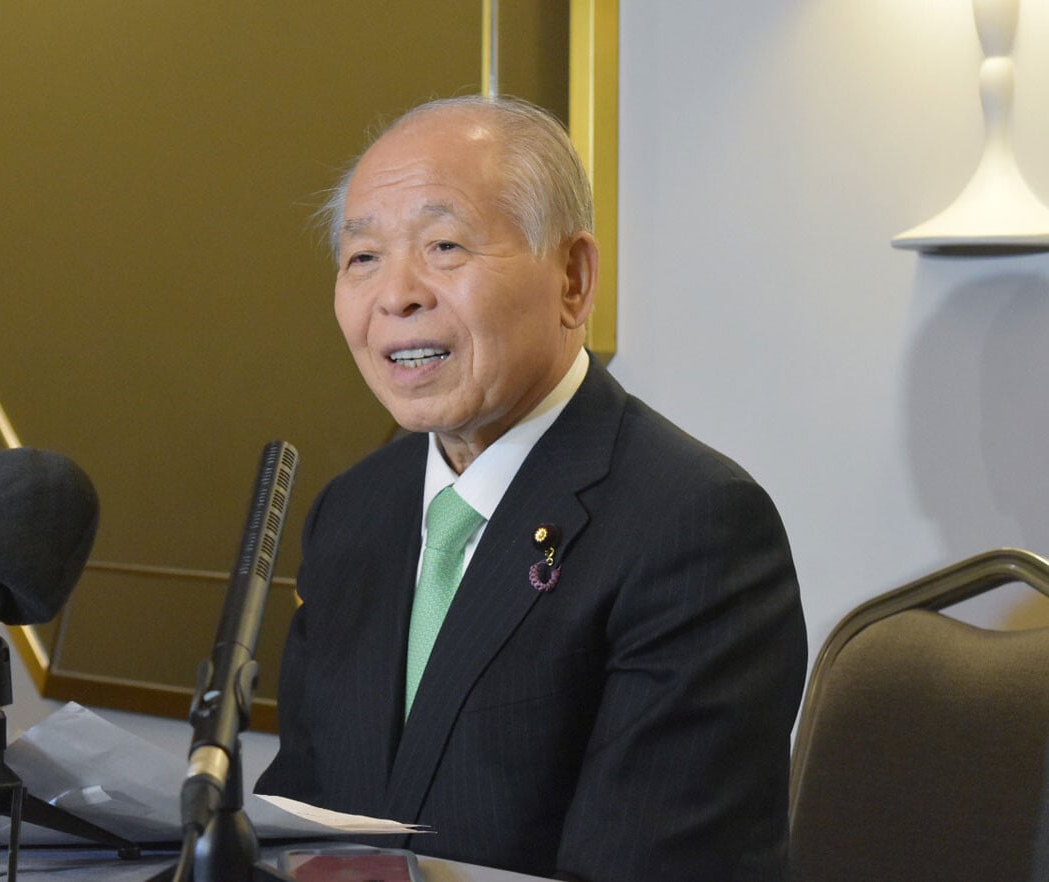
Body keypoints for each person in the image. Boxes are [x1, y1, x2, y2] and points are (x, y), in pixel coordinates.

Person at [255, 95, 807, 882]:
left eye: (444, 246)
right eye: (363, 257)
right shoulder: (352, 511)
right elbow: (302, 824)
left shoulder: (694, 526)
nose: (396, 295)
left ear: (573, 279)